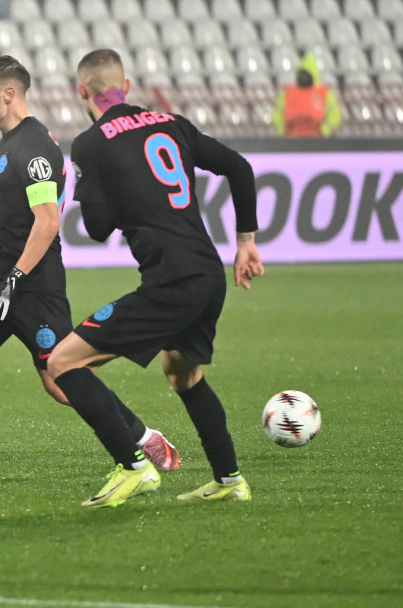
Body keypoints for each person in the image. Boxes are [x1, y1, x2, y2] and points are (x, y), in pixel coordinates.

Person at [47, 48, 265, 508]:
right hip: (208, 275)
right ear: (125, 88)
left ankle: (134, 467)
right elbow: (239, 168)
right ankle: (230, 480)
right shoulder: (173, 123)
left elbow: (98, 228)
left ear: (82, 92)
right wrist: (245, 241)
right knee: (182, 373)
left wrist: (103, 190)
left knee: (62, 362)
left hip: (171, 282)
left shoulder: (91, 142)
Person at [0, 54, 180, 470]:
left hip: (31, 285)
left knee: (60, 382)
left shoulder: (33, 146)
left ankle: (142, 438)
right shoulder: (11, 142)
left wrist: (16, 278)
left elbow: (47, 221)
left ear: (8, 93)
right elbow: (14, 221)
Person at [272, 52, 342, 138]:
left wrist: (324, 131)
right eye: (302, 74)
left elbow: (335, 115)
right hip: (292, 139)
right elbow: (277, 114)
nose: (303, 77)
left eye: (306, 74)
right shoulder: (287, 93)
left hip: (315, 139)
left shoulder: (324, 93)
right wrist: (282, 132)